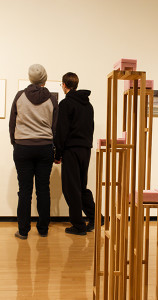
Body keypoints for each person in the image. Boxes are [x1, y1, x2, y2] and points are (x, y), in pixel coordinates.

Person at [9, 64, 58, 239]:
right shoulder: (52, 99)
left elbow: (12, 123)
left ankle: (23, 231)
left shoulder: (19, 96)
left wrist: (15, 143)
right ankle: (43, 229)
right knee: (43, 189)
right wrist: (54, 147)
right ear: (44, 78)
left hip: (23, 147)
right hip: (45, 147)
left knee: (24, 190)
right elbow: (55, 126)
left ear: (30, 78)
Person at [54, 72, 97, 235]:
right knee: (80, 186)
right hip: (85, 149)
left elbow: (62, 131)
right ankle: (95, 218)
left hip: (71, 150)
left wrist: (57, 154)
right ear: (76, 85)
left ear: (64, 85)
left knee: (71, 189)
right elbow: (90, 128)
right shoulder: (88, 105)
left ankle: (78, 226)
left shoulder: (66, 104)